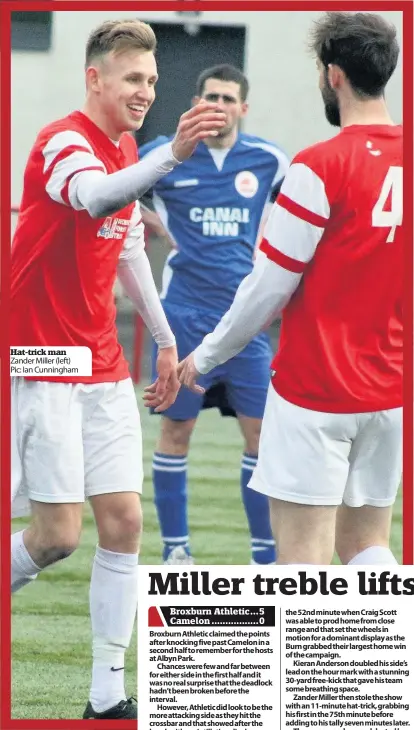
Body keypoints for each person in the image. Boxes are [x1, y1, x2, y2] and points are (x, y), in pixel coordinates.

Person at [10, 19, 226, 720]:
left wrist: (164, 342)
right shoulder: (63, 141)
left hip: (101, 362)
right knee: (57, 539)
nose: (146, 91)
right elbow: (96, 198)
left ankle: (107, 695)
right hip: (44, 358)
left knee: (125, 523)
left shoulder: (127, 149)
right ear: (95, 78)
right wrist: (173, 155)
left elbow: (127, 240)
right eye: (134, 78)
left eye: (154, 81)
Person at [171, 11, 403, 567]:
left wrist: (204, 356)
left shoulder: (318, 165)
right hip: (393, 391)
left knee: (303, 563)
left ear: (333, 76)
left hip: (315, 390)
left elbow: (268, 288)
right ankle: (385, 657)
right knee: (368, 549)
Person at [138, 64, 290, 566]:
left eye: (228, 98)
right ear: (196, 103)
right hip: (183, 318)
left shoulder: (269, 161)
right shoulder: (168, 155)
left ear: (243, 107)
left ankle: (265, 557)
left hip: (245, 322)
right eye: (210, 97)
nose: (218, 106)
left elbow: (294, 218)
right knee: (176, 432)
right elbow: (115, 191)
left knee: (260, 435)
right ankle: (176, 551)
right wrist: (153, 219)